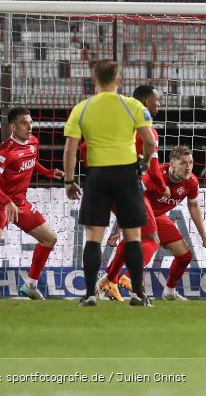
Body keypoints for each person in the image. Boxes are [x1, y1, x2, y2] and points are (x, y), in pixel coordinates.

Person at [63, 60, 158, 307]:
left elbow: (70, 150)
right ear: (119, 80)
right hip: (127, 174)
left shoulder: (81, 109)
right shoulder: (133, 106)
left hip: (97, 176)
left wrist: (70, 180)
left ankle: (90, 295)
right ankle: (138, 294)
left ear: (93, 80)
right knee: (134, 236)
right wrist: (145, 164)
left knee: (94, 237)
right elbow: (150, 142)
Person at [0, 107, 63, 300]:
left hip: (20, 203)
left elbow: (32, 161)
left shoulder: (33, 142)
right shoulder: (5, 151)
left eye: (31, 122)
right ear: (13, 127)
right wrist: (6, 202)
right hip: (1, 202)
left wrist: (48, 172)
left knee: (50, 238)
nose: (30, 127)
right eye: (25, 123)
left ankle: (30, 285)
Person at [107, 146, 206, 301]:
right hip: (140, 211)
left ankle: (169, 291)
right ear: (172, 163)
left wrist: (204, 237)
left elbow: (193, 206)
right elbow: (130, 196)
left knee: (185, 256)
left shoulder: (191, 182)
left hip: (159, 217)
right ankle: (125, 278)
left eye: (191, 162)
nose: (188, 167)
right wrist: (120, 225)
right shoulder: (155, 176)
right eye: (183, 163)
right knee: (150, 241)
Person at [95, 85, 165, 302]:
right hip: (129, 188)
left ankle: (111, 279)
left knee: (131, 235)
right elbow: (153, 169)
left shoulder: (120, 126)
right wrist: (163, 188)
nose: (159, 104)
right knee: (152, 238)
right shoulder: (148, 132)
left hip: (106, 185)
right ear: (145, 103)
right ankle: (133, 284)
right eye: (156, 100)